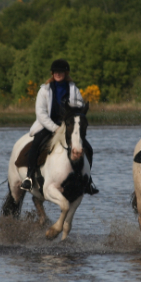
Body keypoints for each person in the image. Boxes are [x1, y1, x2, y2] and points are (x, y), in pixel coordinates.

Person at [21, 58, 98, 194]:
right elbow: (41, 113)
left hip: (68, 126)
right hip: (48, 126)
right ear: (52, 73)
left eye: (61, 72)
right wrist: (55, 128)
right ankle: (29, 177)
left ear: (66, 73)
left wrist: (75, 118)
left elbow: (79, 107)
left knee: (88, 148)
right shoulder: (44, 90)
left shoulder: (73, 89)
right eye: (56, 72)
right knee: (35, 145)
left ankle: (88, 180)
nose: (58, 74)